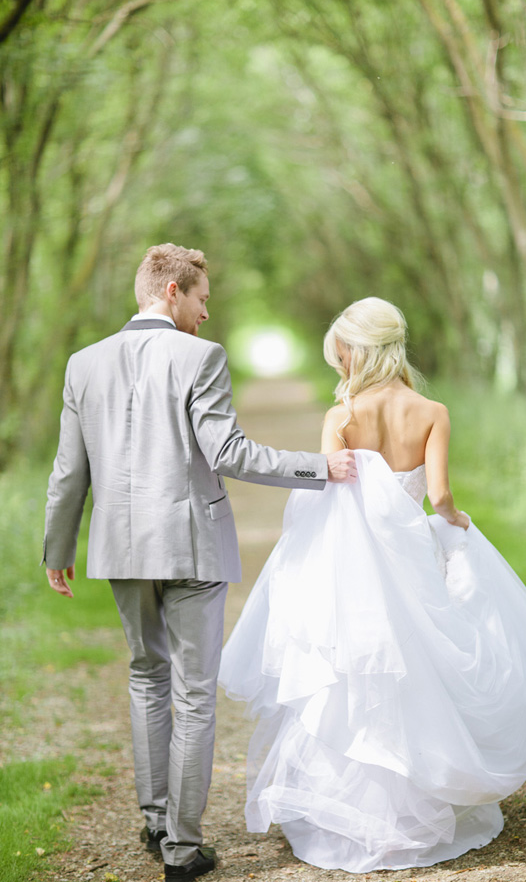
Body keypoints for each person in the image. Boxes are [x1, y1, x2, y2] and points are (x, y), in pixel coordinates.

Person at [218, 296, 526, 873]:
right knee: (419, 673)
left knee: (355, 684)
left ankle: (361, 815)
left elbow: (330, 499)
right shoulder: (432, 410)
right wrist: (456, 523)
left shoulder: (342, 416)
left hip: (355, 567)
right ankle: (421, 803)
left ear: (359, 351)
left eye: (341, 352)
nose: (339, 363)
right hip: (410, 556)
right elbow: (439, 496)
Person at [42, 243, 356, 882]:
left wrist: (58, 546)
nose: (207, 314)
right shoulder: (201, 357)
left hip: (120, 550)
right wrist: (318, 467)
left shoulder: (83, 363)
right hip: (190, 545)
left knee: (144, 677)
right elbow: (230, 453)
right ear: (171, 292)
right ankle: (183, 849)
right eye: (203, 299)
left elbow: (69, 471)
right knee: (192, 694)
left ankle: (156, 821)